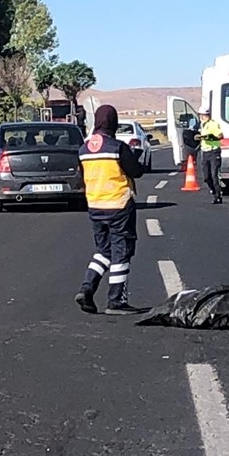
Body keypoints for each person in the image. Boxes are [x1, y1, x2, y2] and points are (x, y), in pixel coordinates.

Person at [75, 104, 144, 315]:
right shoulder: (117, 147)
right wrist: (135, 156)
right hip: (119, 206)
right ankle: (116, 301)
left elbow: (81, 178)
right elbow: (136, 172)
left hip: (95, 206)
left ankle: (87, 288)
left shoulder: (84, 149)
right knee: (121, 252)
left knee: (103, 251)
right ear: (113, 122)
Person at [195, 103, 223, 204]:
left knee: (214, 175)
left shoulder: (213, 124)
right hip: (205, 152)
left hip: (214, 151)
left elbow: (220, 135)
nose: (201, 117)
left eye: (202, 115)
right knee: (206, 177)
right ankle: (213, 190)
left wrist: (206, 137)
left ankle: (218, 196)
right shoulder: (203, 125)